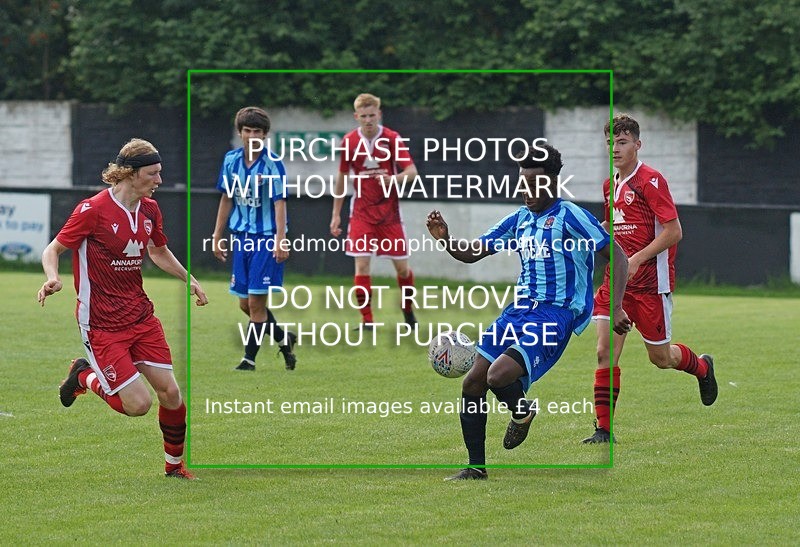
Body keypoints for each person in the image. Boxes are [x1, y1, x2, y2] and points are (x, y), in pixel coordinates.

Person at [426, 143, 631, 481]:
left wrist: (618, 304)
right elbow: (474, 252)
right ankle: (476, 467)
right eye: (523, 183)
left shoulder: (571, 216)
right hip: (518, 311)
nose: (527, 190)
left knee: (498, 376)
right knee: (473, 382)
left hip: (555, 314)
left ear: (552, 183)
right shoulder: (519, 219)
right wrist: (445, 239)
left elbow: (618, 256)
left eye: (535, 183)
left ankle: (522, 414)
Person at [37, 138, 208, 480]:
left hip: (140, 316)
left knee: (171, 393)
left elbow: (158, 252)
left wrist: (188, 278)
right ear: (130, 174)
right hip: (100, 322)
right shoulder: (92, 210)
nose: (159, 180)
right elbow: (53, 249)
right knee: (138, 405)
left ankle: (174, 467)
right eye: (153, 173)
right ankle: (84, 374)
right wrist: (53, 278)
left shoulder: (149, 209)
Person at [583, 114, 718, 444]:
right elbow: (613, 227)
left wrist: (638, 258)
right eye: (610, 142)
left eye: (623, 142)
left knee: (661, 359)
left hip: (649, 286)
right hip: (616, 285)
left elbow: (674, 231)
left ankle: (701, 367)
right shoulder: (608, 185)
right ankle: (603, 431)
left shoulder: (651, 181)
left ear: (637, 145)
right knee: (604, 351)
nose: (615, 148)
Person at [212, 106, 297, 371]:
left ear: (265, 134)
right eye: (247, 131)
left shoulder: (272, 163)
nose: (252, 136)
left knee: (255, 303)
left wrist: (281, 239)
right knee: (244, 304)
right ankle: (285, 339)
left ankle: (248, 359)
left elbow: (280, 202)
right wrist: (217, 235)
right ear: (240, 133)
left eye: (257, 131)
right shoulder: (230, 160)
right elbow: (226, 198)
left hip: (266, 239)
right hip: (241, 238)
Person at [330, 93, 419, 329]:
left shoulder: (391, 138)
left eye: (372, 115)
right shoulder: (349, 141)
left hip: (389, 215)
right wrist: (336, 213)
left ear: (379, 114)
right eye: (364, 116)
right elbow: (341, 179)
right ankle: (367, 320)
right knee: (361, 266)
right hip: (361, 213)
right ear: (356, 116)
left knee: (401, 269)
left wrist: (394, 179)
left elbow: (411, 172)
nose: (368, 120)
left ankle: (407, 310)